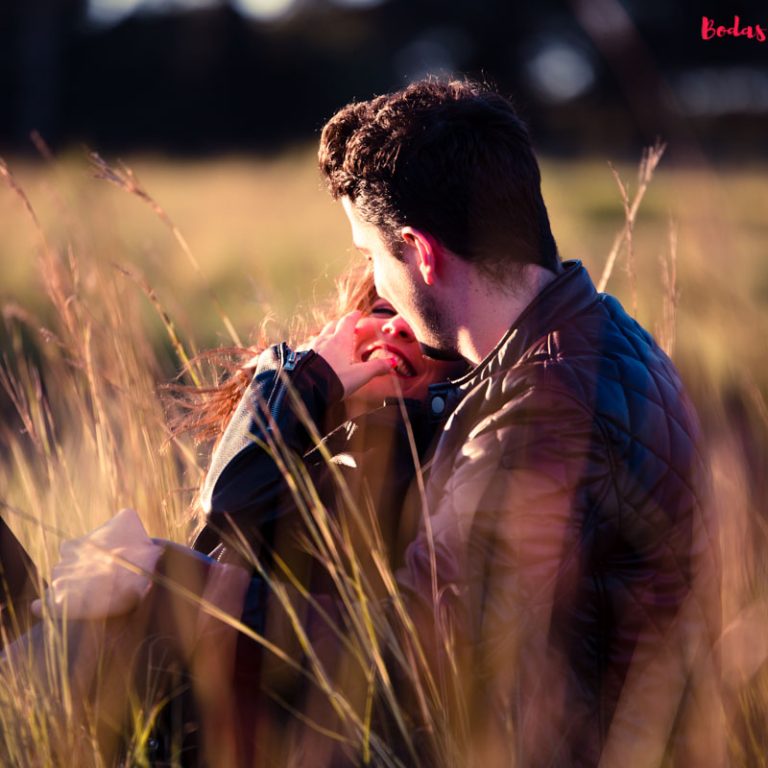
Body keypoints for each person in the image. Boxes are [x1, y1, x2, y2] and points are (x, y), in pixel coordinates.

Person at [314, 77, 723, 767]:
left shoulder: (543, 406)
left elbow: (407, 654)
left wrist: (176, 585)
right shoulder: (598, 330)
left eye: (372, 256)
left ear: (419, 250)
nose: (376, 285)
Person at [4, 269, 464, 766]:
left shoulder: (411, 474)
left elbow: (229, 502)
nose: (396, 328)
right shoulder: (307, 454)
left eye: (418, 327)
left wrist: (297, 377)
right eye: (381, 311)